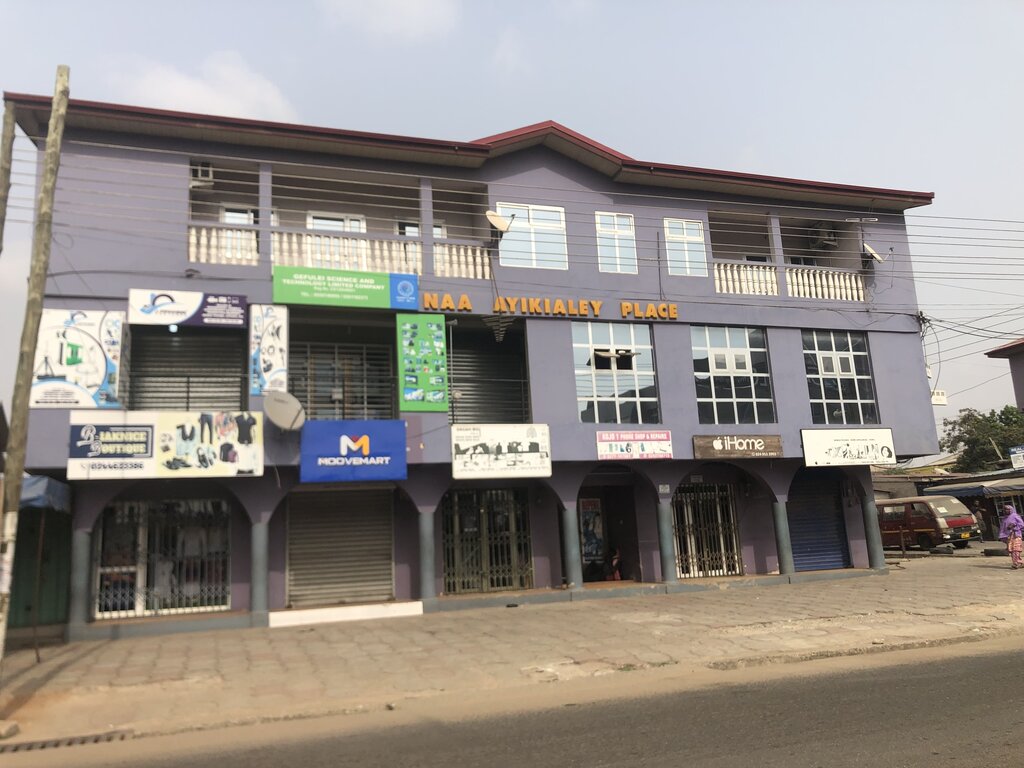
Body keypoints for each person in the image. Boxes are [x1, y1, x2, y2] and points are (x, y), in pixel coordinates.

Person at [998, 503, 1024, 569]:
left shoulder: (1015, 516)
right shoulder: (1004, 519)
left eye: (1007, 509)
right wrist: (1001, 536)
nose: (1006, 511)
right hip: (1009, 536)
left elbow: (1022, 524)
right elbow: (1002, 528)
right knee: (1011, 550)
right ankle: (1019, 562)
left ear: (1011, 510)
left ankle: (1016, 563)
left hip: (1016, 535)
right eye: (1004, 509)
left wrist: (1014, 526)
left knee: (1016, 549)